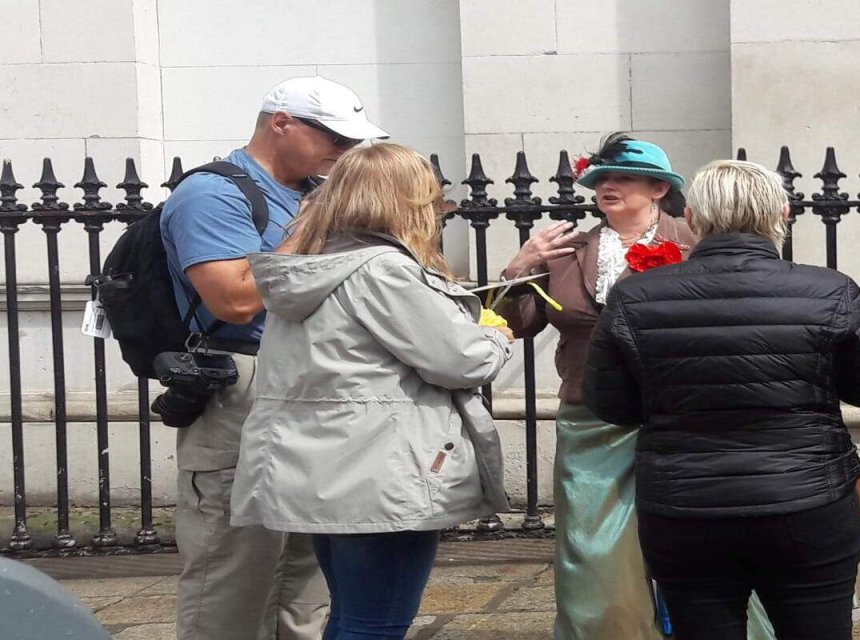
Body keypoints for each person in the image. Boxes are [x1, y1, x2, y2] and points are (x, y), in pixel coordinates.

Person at [583, 159, 860, 639]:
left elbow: (609, 404)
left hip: (684, 504)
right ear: (783, 213)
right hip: (807, 496)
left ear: (692, 217)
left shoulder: (635, 297)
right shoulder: (827, 291)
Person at [229, 143, 516, 639]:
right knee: (376, 623)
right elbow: (460, 361)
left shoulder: (311, 268)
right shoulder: (383, 269)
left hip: (322, 471)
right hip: (381, 475)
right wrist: (495, 336)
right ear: (404, 201)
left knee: (350, 615)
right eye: (429, 196)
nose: (436, 208)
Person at [160, 75, 388, 640]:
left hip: (314, 379)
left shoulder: (316, 190)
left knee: (306, 576)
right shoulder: (213, 194)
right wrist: (312, 229)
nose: (346, 149)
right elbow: (234, 299)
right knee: (233, 573)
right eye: (332, 134)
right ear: (279, 123)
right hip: (246, 379)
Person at [495, 133, 698, 640]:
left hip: (680, 417)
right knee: (591, 547)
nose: (606, 186)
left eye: (621, 177)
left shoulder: (697, 246)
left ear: (657, 189)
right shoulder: (567, 251)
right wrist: (520, 270)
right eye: (600, 178)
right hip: (591, 418)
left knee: (693, 542)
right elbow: (512, 325)